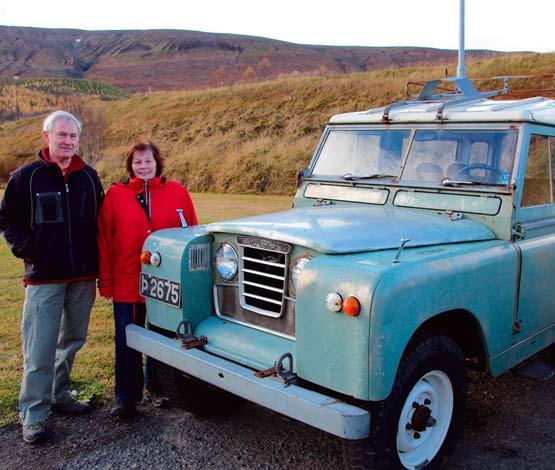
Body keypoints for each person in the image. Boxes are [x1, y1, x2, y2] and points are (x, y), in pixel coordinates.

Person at [0, 110, 104, 444]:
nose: (68, 142)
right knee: (39, 347)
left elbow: (101, 223)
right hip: (44, 277)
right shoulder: (26, 177)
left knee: (72, 340)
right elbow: (7, 220)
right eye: (62, 135)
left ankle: (60, 395)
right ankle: (33, 414)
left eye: (73, 136)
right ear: (46, 136)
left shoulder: (89, 176)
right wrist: (27, 250)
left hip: (83, 276)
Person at [97, 140, 197, 418]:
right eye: (137, 162)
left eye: (148, 161)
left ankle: (160, 387)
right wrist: (106, 281)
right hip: (127, 280)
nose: (143, 166)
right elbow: (104, 239)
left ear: (158, 163)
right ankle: (126, 397)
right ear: (130, 165)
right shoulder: (115, 195)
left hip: (165, 282)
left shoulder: (177, 191)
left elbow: (192, 233)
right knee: (127, 337)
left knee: (163, 335)